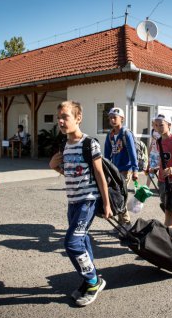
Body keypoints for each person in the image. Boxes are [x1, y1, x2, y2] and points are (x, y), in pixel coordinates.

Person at [49, 101, 112, 306]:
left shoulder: (89, 143)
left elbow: (100, 174)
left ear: (78, 118)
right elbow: (71, 173)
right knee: (82, 240)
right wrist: (55, 167)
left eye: (65, 116)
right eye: (59, 117)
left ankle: (94, 281)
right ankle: (89, 279)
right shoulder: (64, 145)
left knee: (72, 243)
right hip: (73, 202)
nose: (60, 120)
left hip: (88, 201)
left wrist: (107, 204)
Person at [103, 107, 137, 232]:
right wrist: (106, 170)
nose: (112, 120)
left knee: (120, 196)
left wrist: (135, 170)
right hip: (115, 170)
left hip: (125, 170)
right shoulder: (110, 135)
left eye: (115, 117)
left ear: (121, 119)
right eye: (110, 117)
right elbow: (107, 155)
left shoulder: (126, 133)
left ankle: (126, 223)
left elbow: (132, 153)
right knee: (117, 196)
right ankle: (121, 224)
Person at [145, 118, 160, 188]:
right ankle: (146, 187)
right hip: (153, 153)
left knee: (160, 170)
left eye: (152, 124)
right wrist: (148, 151)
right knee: (150, 170)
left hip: (159, 154)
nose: (151, 125)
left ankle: (161, 187)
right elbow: (152, 142)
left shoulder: (161, 132)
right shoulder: (153, 131)